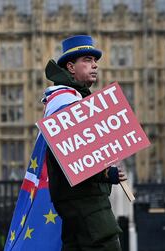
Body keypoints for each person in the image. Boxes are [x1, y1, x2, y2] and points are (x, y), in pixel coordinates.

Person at [43, 35, 128, 250]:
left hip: (83, 199)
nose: (95, 65)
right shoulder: (65, 101)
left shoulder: (76, 98)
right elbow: (71, 154)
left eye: (95, 61)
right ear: (70, 67)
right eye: (88, 60)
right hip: (84, 201)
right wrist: (105, 174)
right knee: (106, 245)